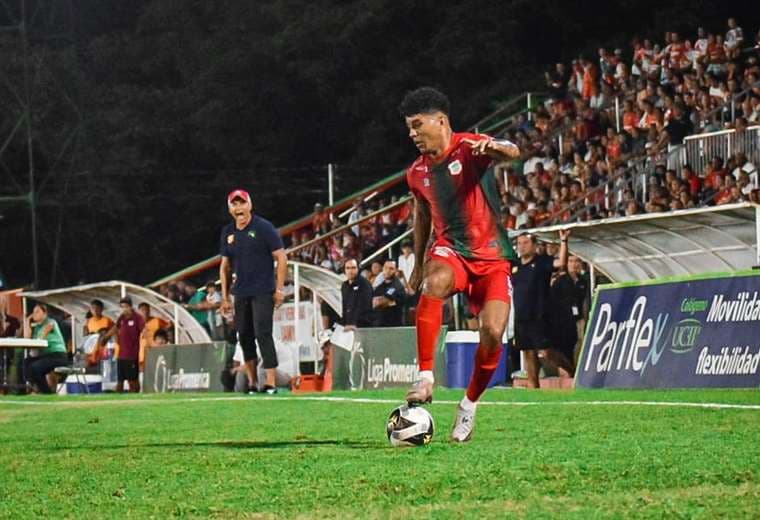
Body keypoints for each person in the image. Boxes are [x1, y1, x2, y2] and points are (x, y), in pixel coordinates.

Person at [400, 87, 520, 442]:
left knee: (494, 333)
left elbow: (512, 151)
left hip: (493, 258)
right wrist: (420, 263)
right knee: (433, 284)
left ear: (441, 121)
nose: (413, 134)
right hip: (452, 250)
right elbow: (422, 215)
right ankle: (425, 377)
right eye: (409, 128)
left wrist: (496, 148)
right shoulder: (417, 172)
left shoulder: (470, 147)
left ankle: (469, 404)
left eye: (417, 125)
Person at [220, 189, 287, 395]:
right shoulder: (228, 233)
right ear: (230, 208)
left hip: (263, 291)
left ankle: (271, 383)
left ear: (250, 205)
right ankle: (252, 382)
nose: (238, 208)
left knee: (263, 333)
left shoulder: (264, 228)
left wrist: (279, 289)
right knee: (245, 335)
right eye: (234, 204)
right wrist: (224, 297)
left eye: (242, 203)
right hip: (240, 292)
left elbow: (282, 258)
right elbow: (224, 266)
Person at [512, 232, 574, 388]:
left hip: (540, 316)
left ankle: (570, 369)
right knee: (528, 352)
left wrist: (563, 241)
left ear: (534, 246)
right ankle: (534, 386)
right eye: (519, 243)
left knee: (546, 352)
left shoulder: (541, 262)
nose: (522, 246)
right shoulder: (515, 266)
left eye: (525, 243)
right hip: (521, 316)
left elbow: (561, 262)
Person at [548, 255, 588, 368]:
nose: (574, 264)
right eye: (571, 261)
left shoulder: (583, 281)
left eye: (577, 261)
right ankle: (567, 369)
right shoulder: (560, 281)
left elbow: (584, 301)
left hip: (577, 320)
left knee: (577, 345)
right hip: (561, 321)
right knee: (563, 346)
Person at [22, 303, 69, 394]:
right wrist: (27, 321)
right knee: (27, 362)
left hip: (57, 355)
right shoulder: (37, 328)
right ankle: (38, 388)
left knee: (34, 368)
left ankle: (45, 392)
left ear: (45, 313)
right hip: (47, 356)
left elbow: (43, 336)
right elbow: (27, 339)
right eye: (33, 312)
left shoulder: (50, 322)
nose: (34, 314)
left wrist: (39, 337)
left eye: (37, 312)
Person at [101, 297, 144, 393]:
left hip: (132, 354)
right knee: (120, 381)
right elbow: (116, 327)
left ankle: (135, 398)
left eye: (125, 307)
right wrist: (106, 337)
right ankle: (118, 400)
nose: (124, 309)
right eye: (122, 307)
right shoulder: (122, 317)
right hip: (121, 354)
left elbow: (143, 330)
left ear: (130, 306)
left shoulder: (137, 318)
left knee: (133, 381)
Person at [339, 259, 373, 328]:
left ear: (358, 269)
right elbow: (345, 306)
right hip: (348, 326)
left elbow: (365, 307)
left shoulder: (364, 284)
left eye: (353, 268)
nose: (350, 271)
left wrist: (356, 324)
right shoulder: (344, 286)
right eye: (347, 268)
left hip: (362, 327)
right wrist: (344, 323)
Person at [372, 260, 406, 327]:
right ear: (382, 269)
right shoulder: (380, 287)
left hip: (393, 327)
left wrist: (375, 301)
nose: (387, 271)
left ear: (396, 270)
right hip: (378, 326)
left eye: (391, 268)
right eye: (385, 268)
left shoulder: (397, 286)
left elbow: (380, 302)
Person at [137, 303, 170, 371]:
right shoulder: (136, 323)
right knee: (142, 375)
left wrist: (163, 338)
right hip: (141, 354)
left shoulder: (156, 321)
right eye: (142, 310)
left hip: (155, 352)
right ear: (139, 311)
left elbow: (169, 325)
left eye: (147, 310)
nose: (145, 312)